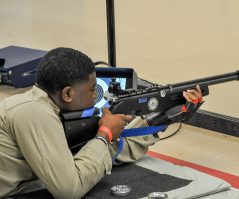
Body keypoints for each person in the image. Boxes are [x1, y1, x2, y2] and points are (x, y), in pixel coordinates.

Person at [0, 47, 203, 198]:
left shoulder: (43, 105)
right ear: (68, 93)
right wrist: (104, 134)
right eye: (92, 90)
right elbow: (69, 190)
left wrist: (162, 118)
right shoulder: (35, 113)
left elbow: (95, 152)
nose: (96, 97)